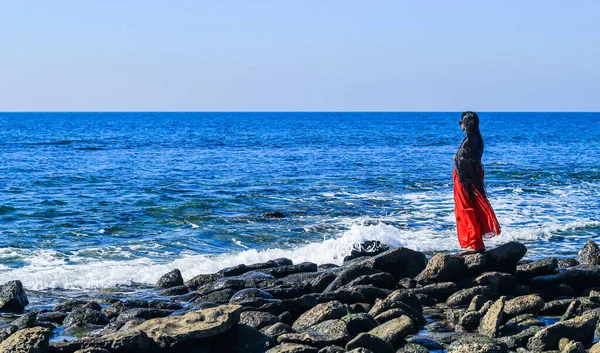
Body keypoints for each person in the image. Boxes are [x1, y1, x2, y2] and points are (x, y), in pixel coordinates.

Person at [453, 111, 500, 255]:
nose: (460, 125)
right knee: (471, 206)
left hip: (466, 178)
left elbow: (467, 160)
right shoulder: (476, 139)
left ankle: (473, 243)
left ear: (466, 124)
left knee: (466, 208)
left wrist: (456, 158)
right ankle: (474, 242)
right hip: (470, 176)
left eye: (461, 122)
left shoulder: (470, 141)